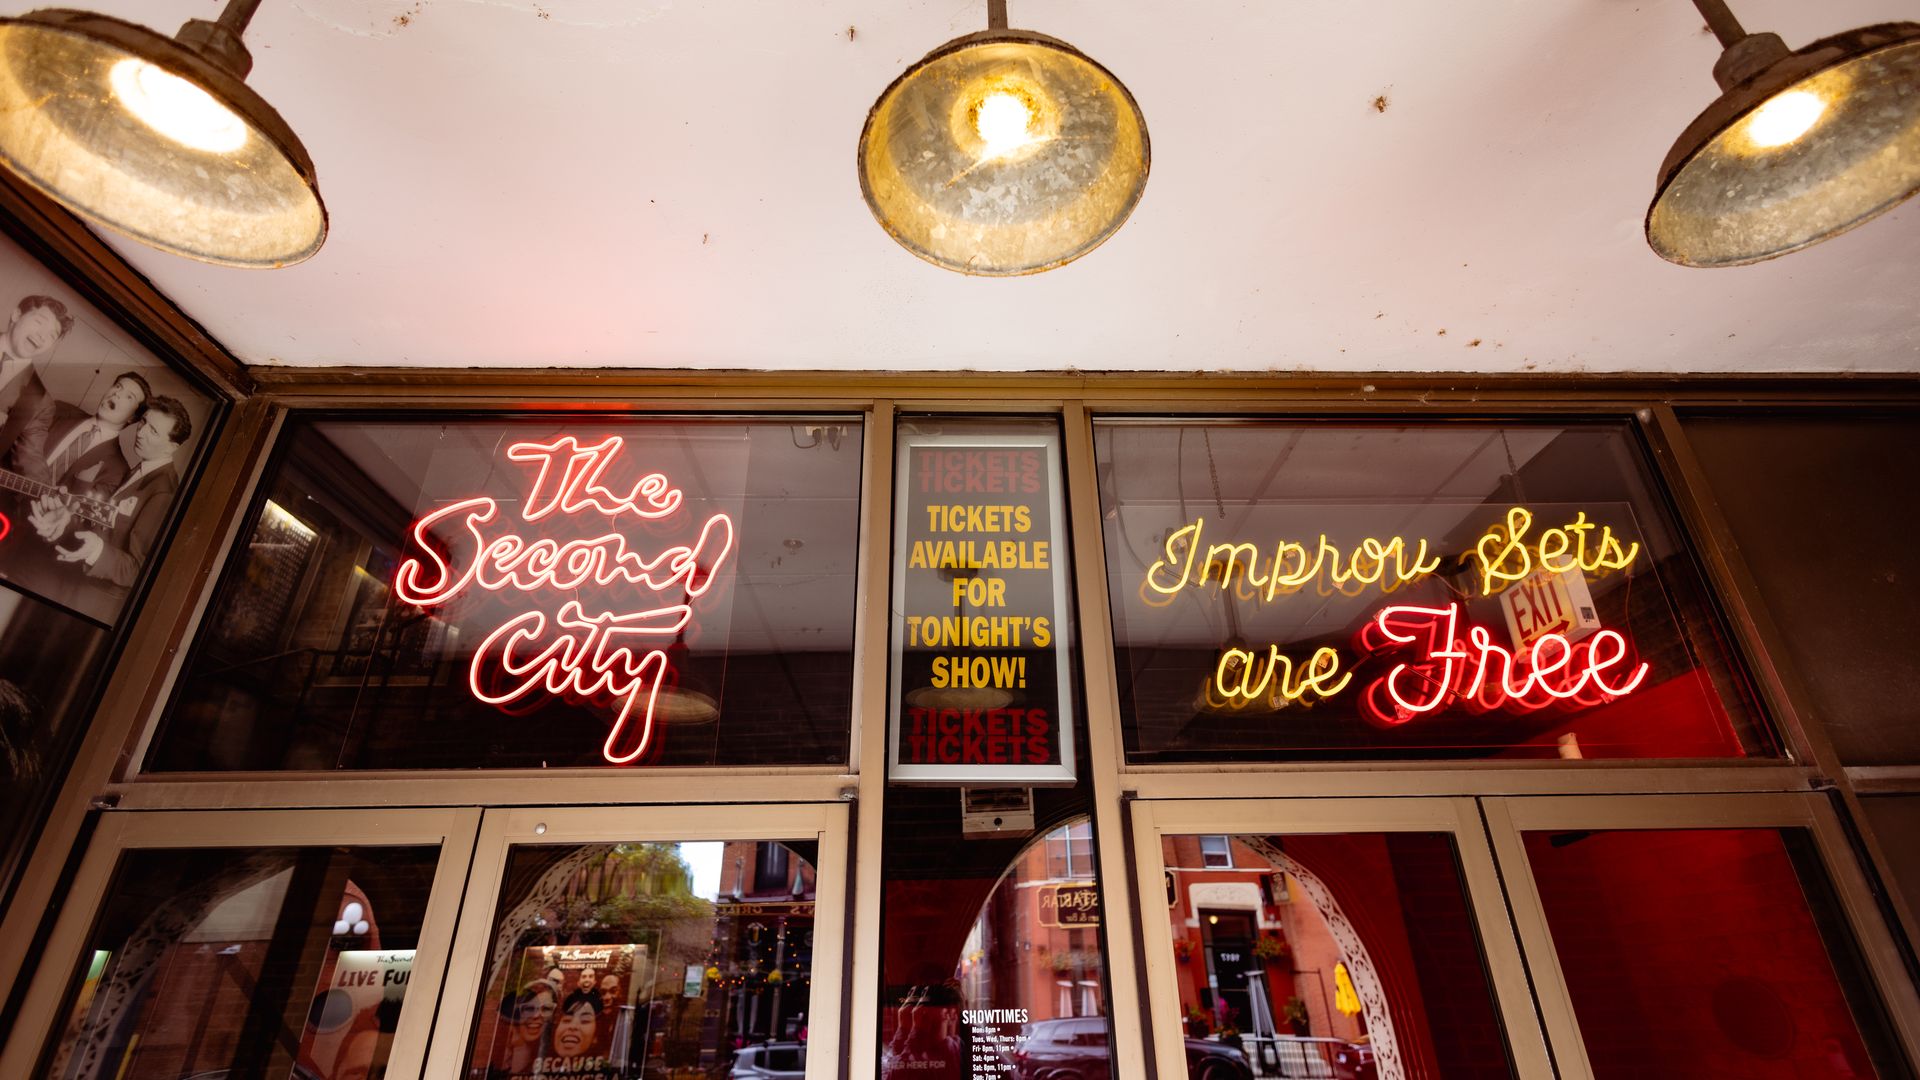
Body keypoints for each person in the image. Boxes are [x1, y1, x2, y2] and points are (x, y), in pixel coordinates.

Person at [29, 395, 189, 597]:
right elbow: (100, 527)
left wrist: (97, 551)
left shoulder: (163, 491)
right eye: (144, 422)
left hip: (93, 600)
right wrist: (66, 521)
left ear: (172, 447)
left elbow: (140, 572)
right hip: (69, 585)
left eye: (154, 431)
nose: (141, 433)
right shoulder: (139, 472)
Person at [20, 370, 149, 489]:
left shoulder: (117, 470)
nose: (117, 393)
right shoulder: (58, 410)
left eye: (129, 397)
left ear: (132, 418)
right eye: (118, 386)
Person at [0, 295, 71, 472]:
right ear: (16, 315)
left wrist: (48, 495)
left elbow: (30, 461)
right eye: (39, 322)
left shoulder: (41, 402)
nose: (42, 336)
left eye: (52, 335)